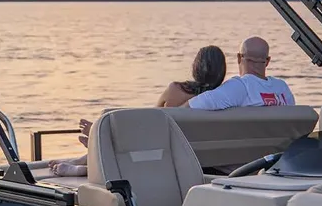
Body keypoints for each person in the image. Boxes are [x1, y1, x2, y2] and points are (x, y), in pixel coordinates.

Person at [49, 45, 227, 176]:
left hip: (163, 152)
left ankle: (89, 157)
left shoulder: (175, 90)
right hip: (195, 159)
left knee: (131, 141)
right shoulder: (223, 100)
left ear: (195, 67)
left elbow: (151, 119)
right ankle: (84, 157)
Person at [183, 36, 294, 110]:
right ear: (268, 61)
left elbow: (187, 110)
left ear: (239, 58)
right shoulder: (283, 88)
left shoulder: (239, 87)